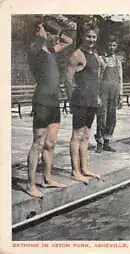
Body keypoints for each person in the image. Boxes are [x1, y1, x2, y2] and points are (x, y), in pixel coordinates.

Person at [26, 21, 73, 198]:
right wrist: (42, 27)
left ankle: (47, 178)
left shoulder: (52, 51)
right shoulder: (35, 50)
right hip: (42, 101)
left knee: (50, 143)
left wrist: (58, 28)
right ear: (40, 31)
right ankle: (31, 186)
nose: (54, 37)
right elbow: (40, 38)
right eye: (50, 33)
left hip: (54, 101)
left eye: (55, 35)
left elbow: (68, 40)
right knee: (38, 143)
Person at [65, 24, 104, 184]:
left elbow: (97, 76)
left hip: (92, 100)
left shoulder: (94, 55)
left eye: (94, 37)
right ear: (83, 37)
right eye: (88, 36)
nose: (91, 39)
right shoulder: (77, 55)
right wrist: (70, 100)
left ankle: (85, 168)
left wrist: (98, 96)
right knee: (77, 135)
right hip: (80, 100)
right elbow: (68, 79)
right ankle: (75, 171)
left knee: (87, 135)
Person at [94, 35, 123, 153]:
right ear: (106, 45)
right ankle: (99, 142)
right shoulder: (101, 59)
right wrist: (97, 94)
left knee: (112, 117)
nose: (112, 47)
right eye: (110, 45)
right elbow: (97, 78)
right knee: (102, 116)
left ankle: (107, 141)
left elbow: (121, 78)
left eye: (114, 45)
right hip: (103, 91)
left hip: (115, 91)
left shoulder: (118, 60)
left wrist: (121, 95)